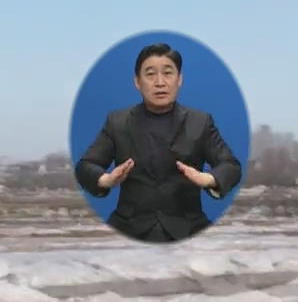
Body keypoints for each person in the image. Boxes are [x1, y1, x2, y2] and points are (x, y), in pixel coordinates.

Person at [74, 43, 242, 242]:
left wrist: (209, 180)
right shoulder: (117, 122)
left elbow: (231, 166)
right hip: (127, 229)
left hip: (189, 229)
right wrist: (106, 180)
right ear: (137, 82)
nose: (160, 82)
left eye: (168, 73)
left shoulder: (200, 122)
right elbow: (85, 166)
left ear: (179, 79)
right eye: (151, 74)